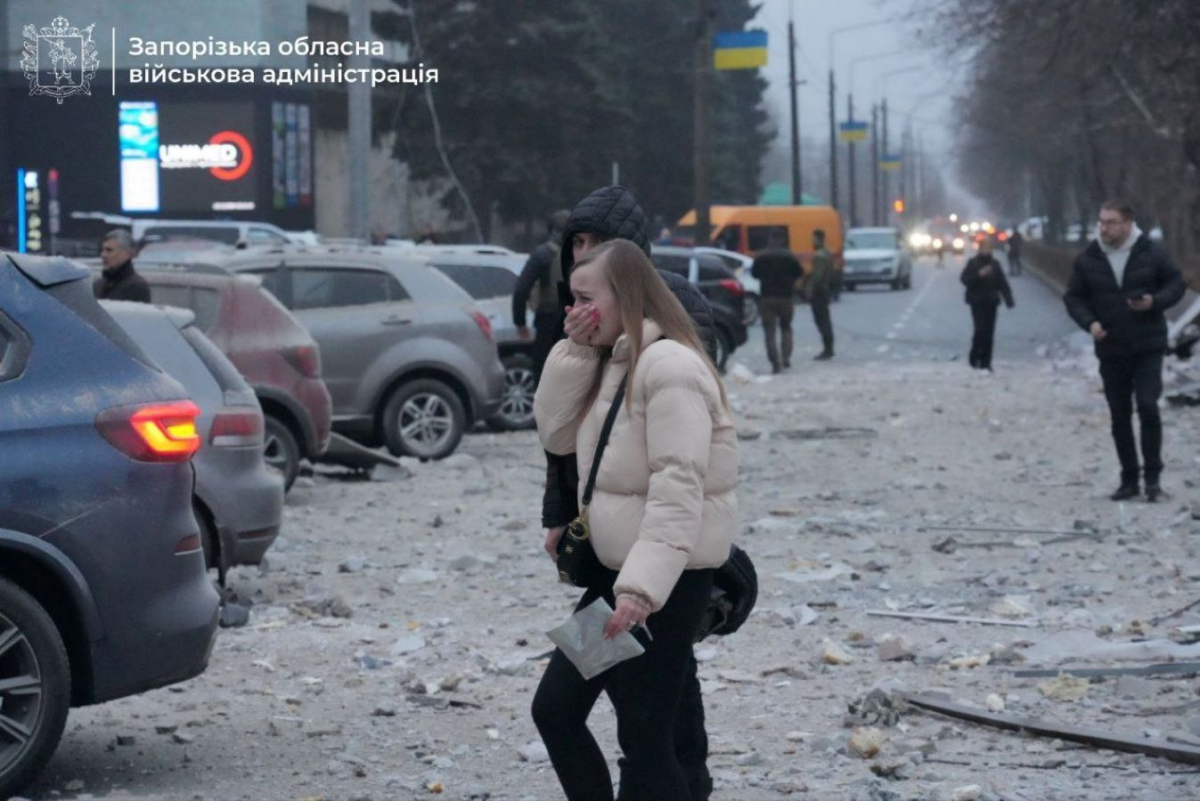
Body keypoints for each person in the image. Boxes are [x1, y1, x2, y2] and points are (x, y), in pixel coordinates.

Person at [532, 239, 739, 801]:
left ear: (624, 295)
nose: (573, 310)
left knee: (646, 738)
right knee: (555, 710)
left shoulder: (670, 367)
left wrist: (642, 591)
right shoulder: (613, 357)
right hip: (611, 577)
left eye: (583, 298)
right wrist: (572, 351)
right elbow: (553, 432)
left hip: (663, 586)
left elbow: (679, 487)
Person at [1064, 200, 1185, 502]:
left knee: (1147, 405)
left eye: (1111, 222)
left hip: (1148, 345)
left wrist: (1155, 302)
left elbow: (1176, 284)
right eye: (1101, 222)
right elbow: (1073, 297)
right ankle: (1128, 478)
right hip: (1110, 346)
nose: (1104, 228)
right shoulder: (1089, 258)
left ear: (1128, 223)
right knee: (1119, 415)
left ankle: (1153, 479)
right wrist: (1090, 323)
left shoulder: (1151, 252)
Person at [512, 209, 571, 380]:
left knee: (543, 373)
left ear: (550, 229)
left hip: (547, 319)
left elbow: (521, 290)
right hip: (576, 322)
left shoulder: (542, 254)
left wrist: (520, 323)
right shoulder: (583, 253)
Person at [750, 229, 801, 373]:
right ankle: (786, 356)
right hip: (786, 297)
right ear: (783, 240)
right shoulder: (790, 256)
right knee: (786, 327)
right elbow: (799, 273)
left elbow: (754, 274)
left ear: (770, 240)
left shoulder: (761, 256)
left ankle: (775, 362)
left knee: (769, 331)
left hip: (767, 297)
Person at [960, 238, 1015, 371]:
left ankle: (986, 362)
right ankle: (974, 358)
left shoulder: (995, 264)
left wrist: (1008, 299)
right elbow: (964, 279)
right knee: (980, 330)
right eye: (984, 248)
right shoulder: (973, 263)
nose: (986, 250)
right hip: (977, 302)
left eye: (989, 248)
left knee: (989, 332)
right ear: (979, 249)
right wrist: (979, 275)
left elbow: (1002, 282)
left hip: (991, 302)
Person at [93, 229, 150, 303]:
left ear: (127, 253)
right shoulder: (98, 285)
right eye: (102, 250)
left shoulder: (137, 287)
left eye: (109, 250)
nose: (103, 255)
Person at [807, 229, 836, 360]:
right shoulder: (828, 253)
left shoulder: (819, 255)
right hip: (826, 289)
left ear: (819, 239)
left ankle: (827, 349)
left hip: (819, 291)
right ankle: (829, 347)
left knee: (821, 320)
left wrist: (810, 289)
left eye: (813, 238)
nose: (812, 241)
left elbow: (817, 276)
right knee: (826, 319)